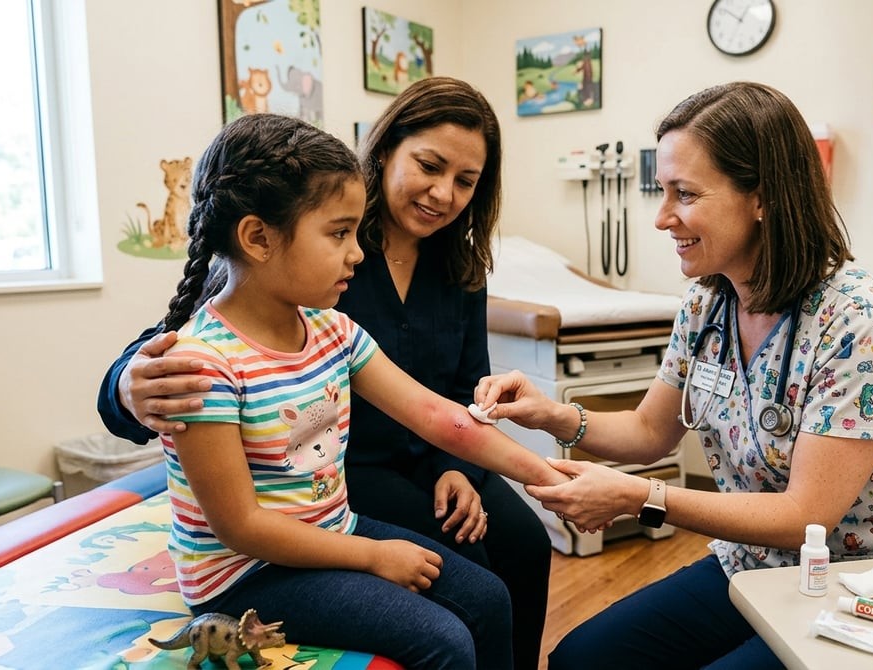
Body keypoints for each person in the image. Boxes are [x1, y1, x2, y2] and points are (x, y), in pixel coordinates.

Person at [475, 82, 873, 669]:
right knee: (579, 660)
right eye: (663, 192)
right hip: (750, 564)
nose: (663, 218)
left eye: (685, 194)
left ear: (762, 198)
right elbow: (648, 433)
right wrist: (552, 414)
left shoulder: (859, 320)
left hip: (856, 584)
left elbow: (805, 516)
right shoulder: (706, 306)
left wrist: (642, 499)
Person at [96, 78, 552, 669]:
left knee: (515, 560)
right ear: (387, 151)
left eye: (465, 181)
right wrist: (127, 386)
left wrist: (550, 477)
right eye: (430, 166)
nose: (444, 193)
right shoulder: (287, 278)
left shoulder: (349, 311)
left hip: (366, 493)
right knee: (456, 612)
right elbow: (172, 353)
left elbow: (447, 411)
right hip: (335, 493)